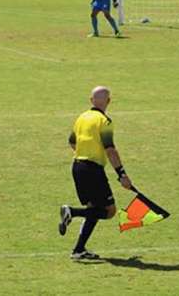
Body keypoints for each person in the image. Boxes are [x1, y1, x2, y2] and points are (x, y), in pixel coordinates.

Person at [58, 86, 134, 260]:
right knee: (109, 211)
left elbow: (72, 142)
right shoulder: (104, 121)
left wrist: (85, 152)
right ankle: (71, 212)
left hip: (77, 167)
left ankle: (78, 250)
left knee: (93, 209)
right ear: (109, 101)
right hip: (92, 170)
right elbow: (110, 150)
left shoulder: (82, 117)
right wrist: (122, 174)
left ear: (91, 101)